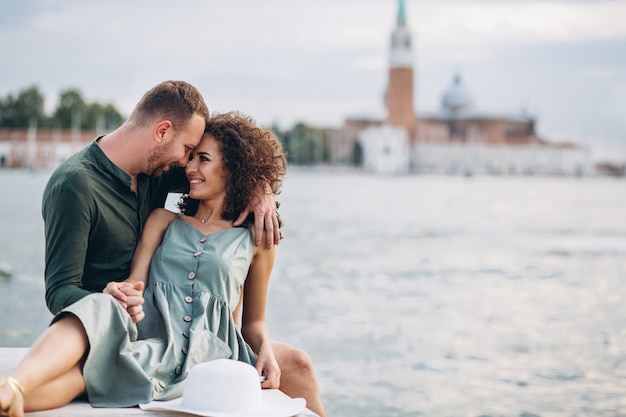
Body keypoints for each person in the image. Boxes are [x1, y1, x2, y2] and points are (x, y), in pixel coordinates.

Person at [0, 112, 322, 417]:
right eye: (191, 156)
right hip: (155, 339)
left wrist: (264, 347)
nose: (190, 167)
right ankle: (11, 389)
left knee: (300, 363)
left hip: (212, 352)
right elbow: (135, 283)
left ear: (233, 170)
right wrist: (120, 296)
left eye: (203, 159)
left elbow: (253, 323)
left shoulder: (255, 240)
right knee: (91, 350)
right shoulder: (163, 220)